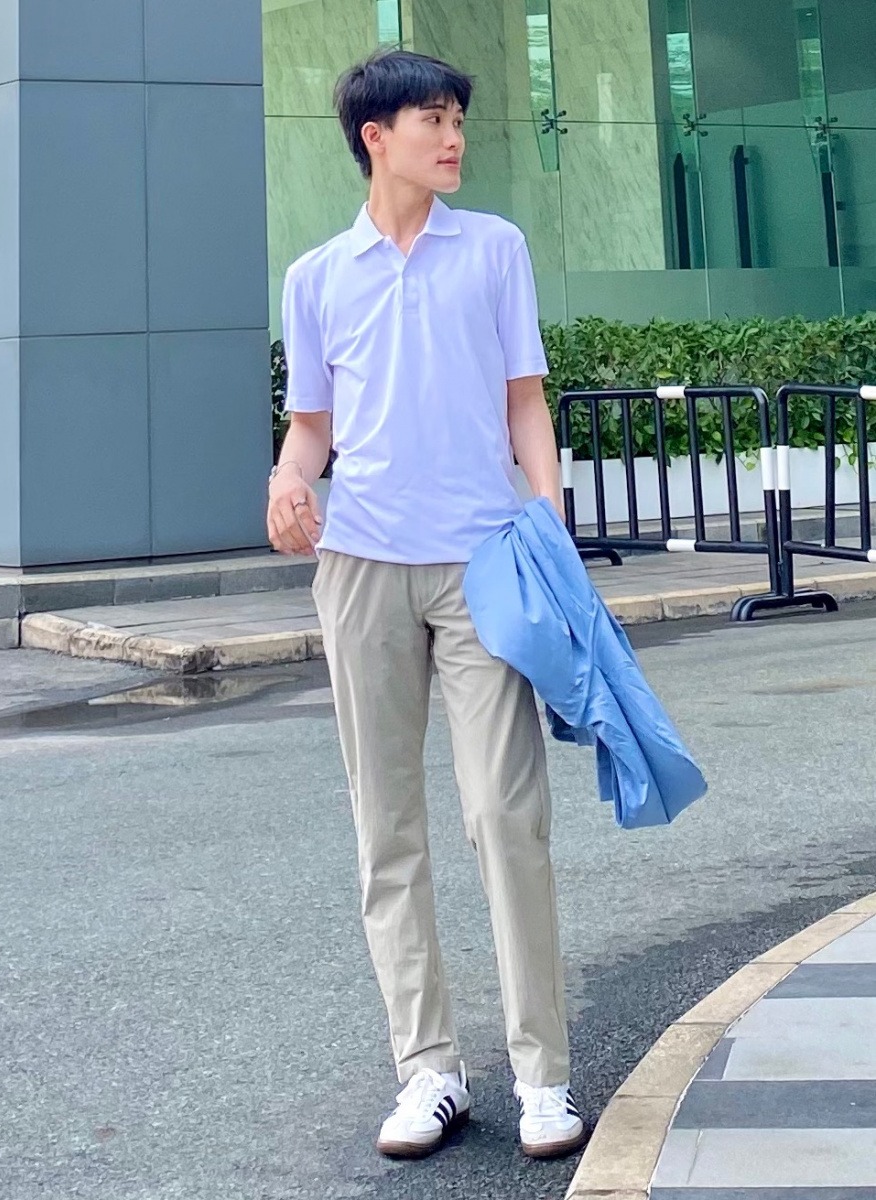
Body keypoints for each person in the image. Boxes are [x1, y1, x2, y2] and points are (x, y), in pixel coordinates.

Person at [266, 48, 587, 1162]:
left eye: (456, 120)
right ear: (376, 137)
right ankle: (429, 1071)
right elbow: (313, 427)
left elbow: (525, 403)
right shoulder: (317, 277)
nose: (453, 139)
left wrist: (548, 522)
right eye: (433, 121)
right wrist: (286, 482)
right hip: (359, 567)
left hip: (483, 564)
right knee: (386, 827)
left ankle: (543, 1075)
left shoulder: (493, 250)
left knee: (505, 815)